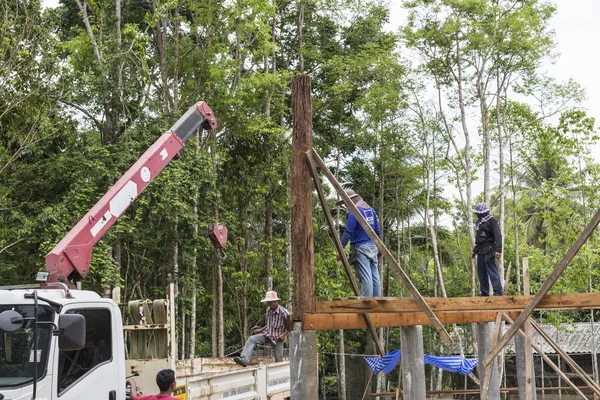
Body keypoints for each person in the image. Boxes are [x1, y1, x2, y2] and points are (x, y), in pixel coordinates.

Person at [337, 189, 382, 297]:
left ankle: (366, 305)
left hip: (361, 247)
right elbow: (377, 231)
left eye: (345, 202)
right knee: (375, 275)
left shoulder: (354, 211)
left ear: (350, 200)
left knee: (366, 277)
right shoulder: (371, 211)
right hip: (372, 246)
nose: (345, 205)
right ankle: (377, 302)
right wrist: (379, 247)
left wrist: (340, 248)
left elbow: (348, 231)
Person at [233, 290, 290, 367]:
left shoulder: (284, 312)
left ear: (276, 301)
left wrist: (284, 335)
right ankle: (244, 359)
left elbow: (291, 325)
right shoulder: (268, 311)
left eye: (271, 301)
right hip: (267, 334)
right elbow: (269, 324)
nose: (270, 303)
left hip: (277, 338)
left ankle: (280, 377)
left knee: (279, 361)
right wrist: (261, 330)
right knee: (252, 339)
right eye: (268, 302)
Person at [470, 202, 503, 296]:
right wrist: (474, 251)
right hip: (480, 250)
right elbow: (479, 240)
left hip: (489, 249)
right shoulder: (480, 223)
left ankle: (498, 291)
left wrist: (498, 250)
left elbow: (498, 236)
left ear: (482, 213)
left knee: (492, 270)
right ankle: (484, 292)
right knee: (481, 273)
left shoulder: (492, 221)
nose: (476, 214)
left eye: (477, 212)